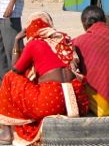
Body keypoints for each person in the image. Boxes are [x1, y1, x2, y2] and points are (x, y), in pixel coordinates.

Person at [0, 11, 89, 145]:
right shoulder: (64, 39)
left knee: (9, 77)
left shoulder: (34, 44)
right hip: (77, 100)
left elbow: (16, 69)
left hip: (50, 100)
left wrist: (17, 41)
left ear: (30, 29)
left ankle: (6, 131)